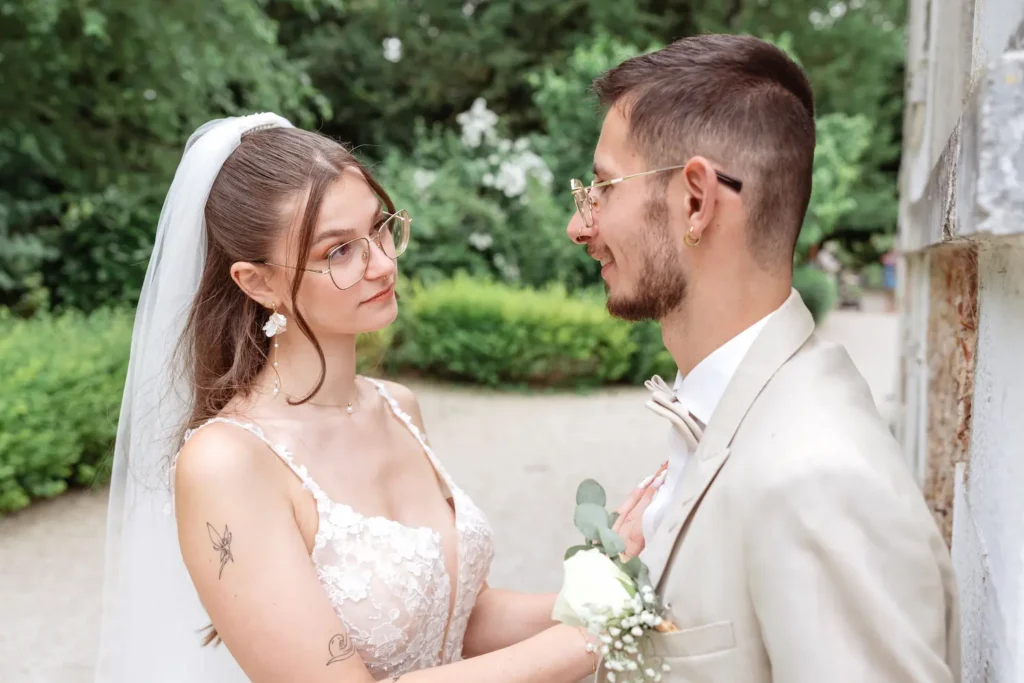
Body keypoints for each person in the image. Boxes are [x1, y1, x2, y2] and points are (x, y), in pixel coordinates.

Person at [94, 113, 661, 682]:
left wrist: (617, 583)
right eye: (339, 252)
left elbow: (463, 615)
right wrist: (595, 635)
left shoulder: (398, 406)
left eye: (382, 228)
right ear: (257, 283)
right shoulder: (227, 463)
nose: (384, 264)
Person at [566, 34, 960, 682]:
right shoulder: (749, 406)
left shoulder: (817, 478)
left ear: (696, 201)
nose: (579, 226)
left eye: (603, 189)